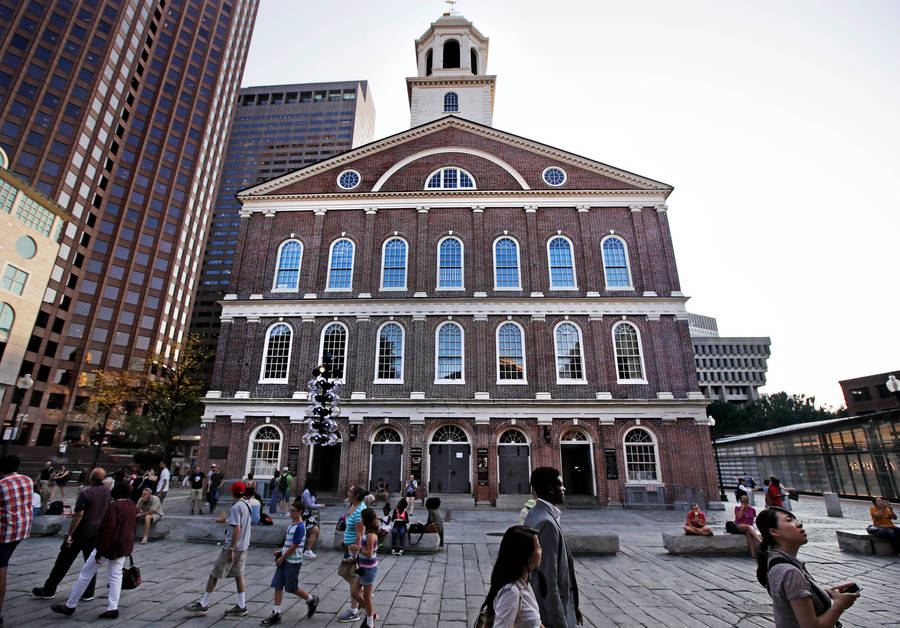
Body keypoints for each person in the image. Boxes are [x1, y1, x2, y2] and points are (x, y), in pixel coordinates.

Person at [755, 506, 858, 627]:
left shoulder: (779, 562)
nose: (799, 524)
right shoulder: (789, 571)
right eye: (789, 520)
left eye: (795, 519)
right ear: (774, 532)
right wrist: (840, 605)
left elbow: (791, 596)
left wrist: (825, 593)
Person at [50, 480, 137, 619]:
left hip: (107, 547)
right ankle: (113, 607)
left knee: (86, 574)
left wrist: (100, 551)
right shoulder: (132, 506)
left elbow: (108, 530)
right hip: (122, 546)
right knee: (115, 576)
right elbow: (132, 528)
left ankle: (70, 605)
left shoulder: (114, 507)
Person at [32, 467, 110, 601]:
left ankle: (49, 589)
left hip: (81, 531)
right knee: (90, 562)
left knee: (63, 561)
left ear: (91, 478)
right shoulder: (107, 491)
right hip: (96, 532)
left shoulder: (86, 493)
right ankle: (88, 592)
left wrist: (70, 534)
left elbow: (79, 514)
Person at [523, 466, 582, 627]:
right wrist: (559, 621)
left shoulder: (536, 513)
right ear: (550, 489)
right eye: (560, 485)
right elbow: (548, 580)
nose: (564, 489)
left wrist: (573, 606)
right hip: (550, 613)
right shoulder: (546, 523)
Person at [185, 481, 253, 617]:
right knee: (239, 575)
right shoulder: (247, 504)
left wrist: (231, 549)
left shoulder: (236, 507)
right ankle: (242, 605)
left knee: (215, 573)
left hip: (233, 547)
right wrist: (226, 520)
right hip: (244, 546)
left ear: (233, 492)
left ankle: (204, 604)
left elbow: (237, 529)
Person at [259, 500, 319, 626]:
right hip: (286, 560)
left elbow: (294, 546)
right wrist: (281, 551)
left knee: (292, 587)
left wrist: (282, 557)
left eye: (293, 511)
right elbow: (289, 543)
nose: (290, 513)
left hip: (293, 562)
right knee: (278, 585)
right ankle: (276, 612)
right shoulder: (292, 525)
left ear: (300, 512)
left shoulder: (300, 527)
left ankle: (311, 599)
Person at [479, 525, 543, 628]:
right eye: (538, 547)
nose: (541, 551)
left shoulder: (524, 581)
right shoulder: (511, 593)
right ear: (525, 555)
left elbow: (534, 622)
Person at [0, 455, 34, 626]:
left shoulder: (2, 484)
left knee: (1, 570)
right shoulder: (28, 480)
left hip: (4, 532)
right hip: (21, 530)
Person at [336, 485, 366, 623]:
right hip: (349, 546)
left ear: (356, 495)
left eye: (350, 491)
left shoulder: (359, 511)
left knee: (352, 578)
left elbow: (360, 534)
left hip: (353, 549)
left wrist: (354, 554)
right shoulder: (353, 506)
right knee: (346, 574)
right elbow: (350, 528)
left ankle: (354, 611)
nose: (347, 492)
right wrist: (345, 540)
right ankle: (362, 592)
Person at [350, 507, 380, 628]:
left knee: (367, 597)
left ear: (366, 519)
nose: (360, 519)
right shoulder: (368, 534)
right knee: (354, 593)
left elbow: (369, 554)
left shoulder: (370, 536)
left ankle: (370, 623)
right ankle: (370, 613)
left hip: (369, 569)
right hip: (363, 568)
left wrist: (358, 548)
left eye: (362, 517)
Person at [300, 474, 325, 558]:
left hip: (309, 514)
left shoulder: (311, 492)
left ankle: (306, 549)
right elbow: (309, 505)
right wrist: (320, 505)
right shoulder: (306, 492)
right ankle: (307, 550)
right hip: (305, 515)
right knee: (315, 530)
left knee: (311, 532)